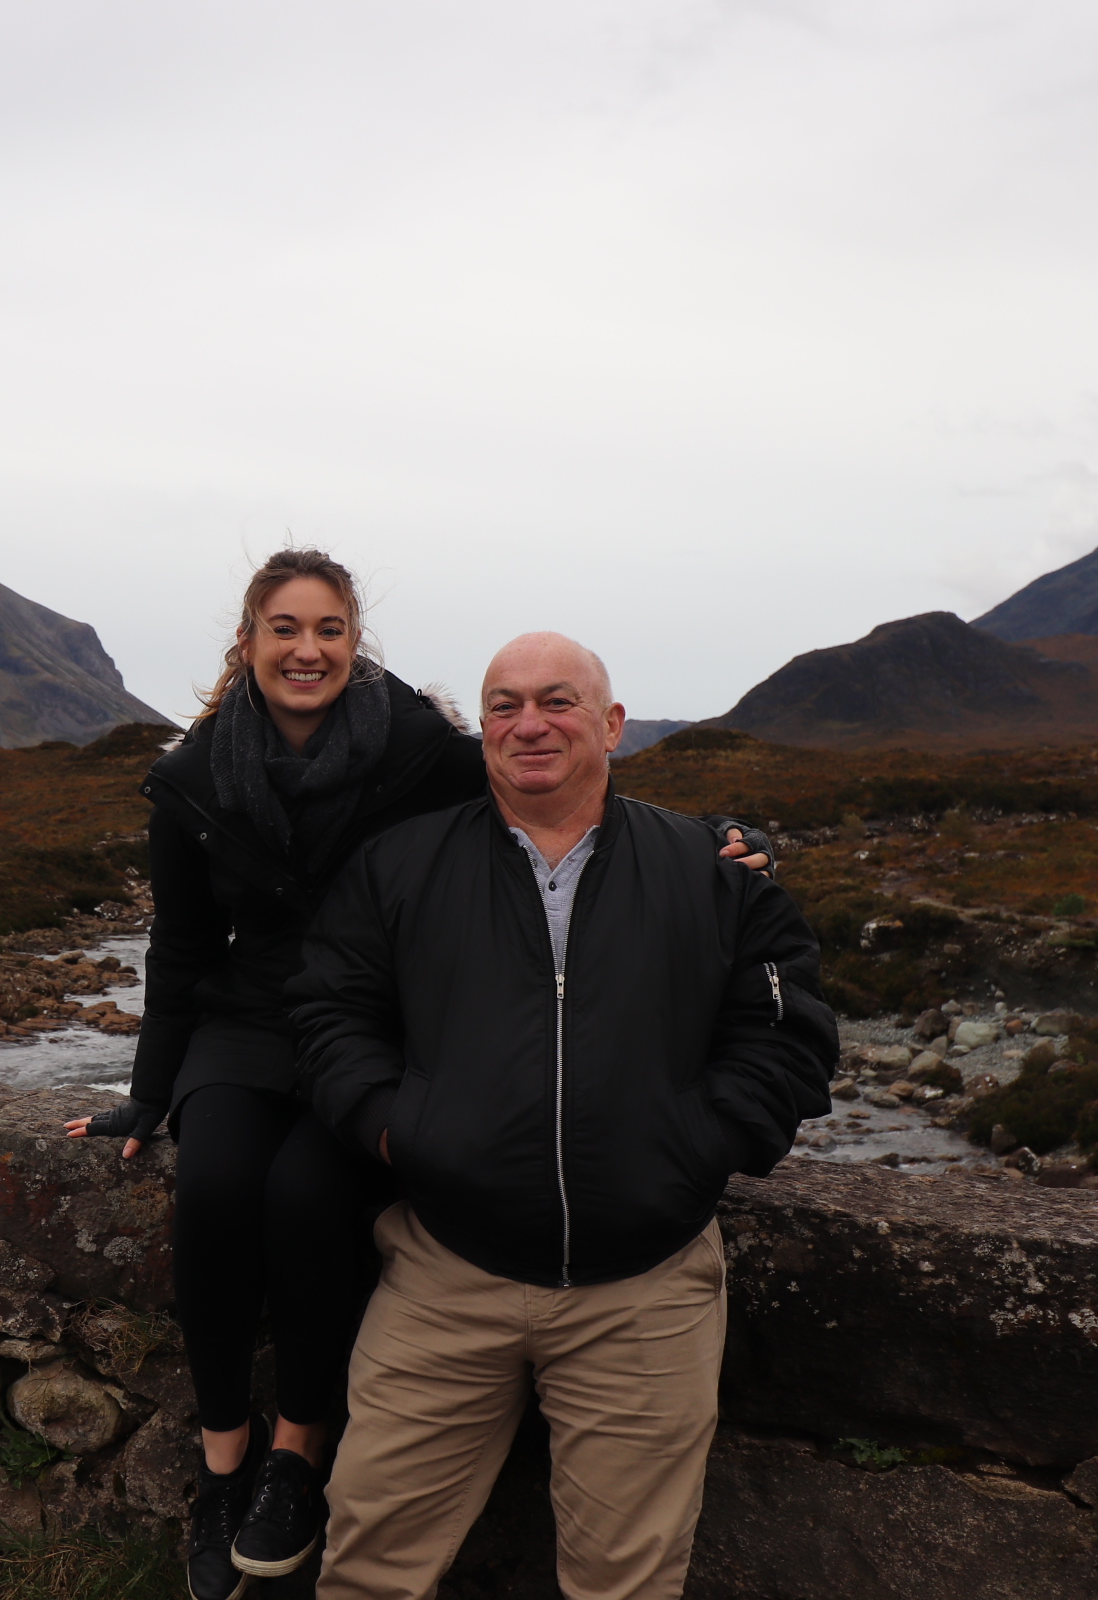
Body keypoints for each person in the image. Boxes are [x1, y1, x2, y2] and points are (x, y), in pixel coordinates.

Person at [64, 555, 774, 1600]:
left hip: (385, 1025)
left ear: (356, 642)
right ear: (248, 644)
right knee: (213, 1188)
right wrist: (150, 1091)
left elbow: (561, 787)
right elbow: (179, 945)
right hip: (261, 1021)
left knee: (311, 1192)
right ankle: (226, 1465)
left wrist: (714, 841)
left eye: (330, 629)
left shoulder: (417, 748)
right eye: (285, 629)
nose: (308, 648)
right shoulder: (196, 775)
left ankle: (298, 1458)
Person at [289, 630, 836, 1600]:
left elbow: (787, 1029)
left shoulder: (711, 870)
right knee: (367, 1563)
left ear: (612, 724)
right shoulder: (402, 865)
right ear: (484, 729)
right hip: (446, 1273)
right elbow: (332, 1012)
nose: (528, 723)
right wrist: (397, 1130)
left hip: (647, 1290)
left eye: (557, 700)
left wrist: (697, 1146)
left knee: (624, 1584)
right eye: (504, 704)